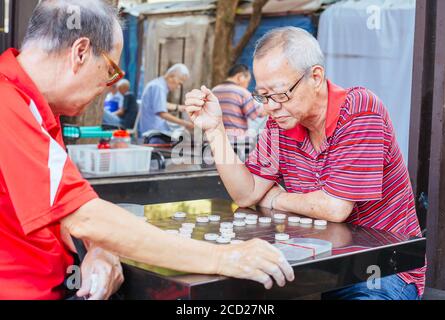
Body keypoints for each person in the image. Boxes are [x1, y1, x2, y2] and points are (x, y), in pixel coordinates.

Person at [0, 0, 294, 300]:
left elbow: (62, 210)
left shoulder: (35, 107)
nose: (108, 84)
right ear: (80, 52)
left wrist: (100, 247)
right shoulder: (6, 102)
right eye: (111, 70)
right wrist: (223, 258)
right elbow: (83, 215)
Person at [185, 26, 426, 300]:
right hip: (318, 266)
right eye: (262, 95)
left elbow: (335, 207)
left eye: (280, 93)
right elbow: (246, 193)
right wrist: (215, 130)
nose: (269, 107)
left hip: (382, 270)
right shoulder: (280, 123)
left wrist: (276, 199)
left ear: (315, 76)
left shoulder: (361, 110)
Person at [138, 64, 194, 142]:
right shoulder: (159, 88)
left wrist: (179, 107)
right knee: (185, 141)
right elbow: (161, 113)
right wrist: (185, 123)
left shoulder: (157, 84)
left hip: (153, 130)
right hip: (153, 134)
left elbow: (160, 104)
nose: (178, 87)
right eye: (180, 83)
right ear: (172, 76)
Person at [212, 64, 263, 137]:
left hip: (215, 138)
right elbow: (255, 114)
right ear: (240, 77)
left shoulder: (214, 91)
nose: (247, 86)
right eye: (247, 82)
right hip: (237, 141)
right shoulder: (242, 92)